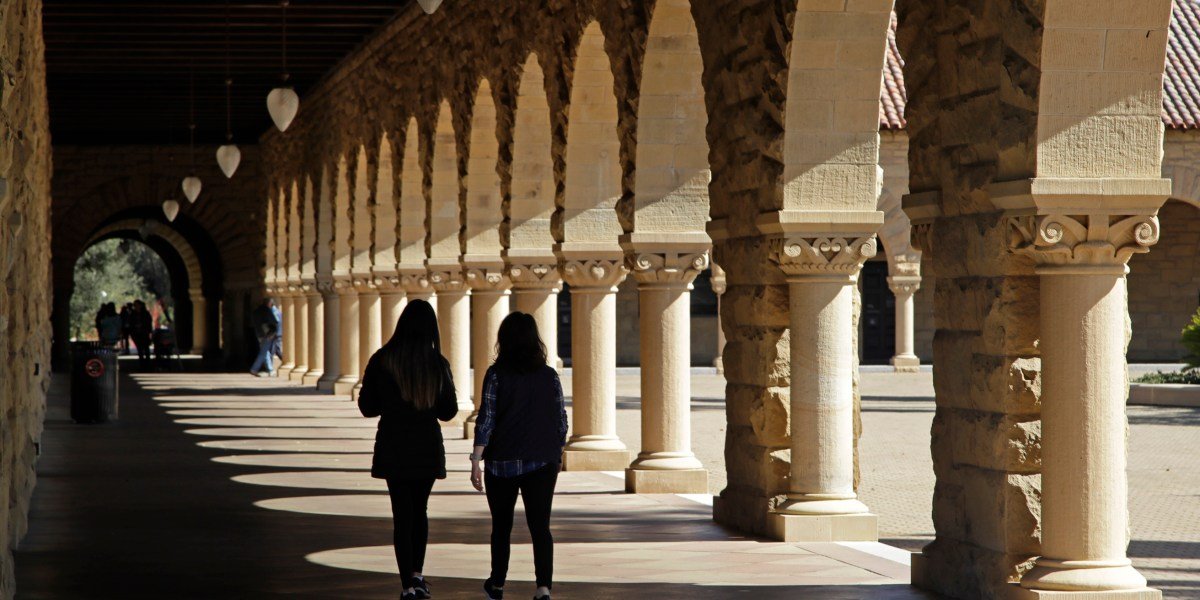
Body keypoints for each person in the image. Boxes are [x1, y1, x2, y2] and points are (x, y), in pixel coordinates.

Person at [358, 300, 458, 600]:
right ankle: (417, 574)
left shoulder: (382, 359)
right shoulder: (437, 363)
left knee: (402, 515)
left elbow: (367, 407)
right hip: (425, 446)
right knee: (420, 511)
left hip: (394, 445)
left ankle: (407, 585)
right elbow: (449, 411)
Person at [471, 312, 568, 600]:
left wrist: (476, 460)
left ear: (504, 340)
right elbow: (560, 419)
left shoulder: (496, 374)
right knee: (541, 526)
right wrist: (556, 451)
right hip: (541, 460)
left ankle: (498, 582)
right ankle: (543, 587)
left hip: (502, 461)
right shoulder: (549, 375)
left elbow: (486, 418)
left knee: (501, 526)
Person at [249, 298, 280, 377]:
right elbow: (274, 322)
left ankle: (270, 369)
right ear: (269, 303)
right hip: (267, 335)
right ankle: (254, 368)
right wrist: (273, 333)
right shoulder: (267, 311)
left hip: (259, 334)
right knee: (263, 352)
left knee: (265, 351)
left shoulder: (256, 311)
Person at [129, 299, 154, 369]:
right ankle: (142, 364)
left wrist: (149, 332)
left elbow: (149, 323)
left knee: (146, 349)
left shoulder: (145, 313)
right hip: (137, 334)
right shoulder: (133, 314)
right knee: (140, 350)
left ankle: (148, 364)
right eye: (135, 305)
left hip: (144, 333)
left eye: (137, 305)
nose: (136, 307)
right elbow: (131, 323)